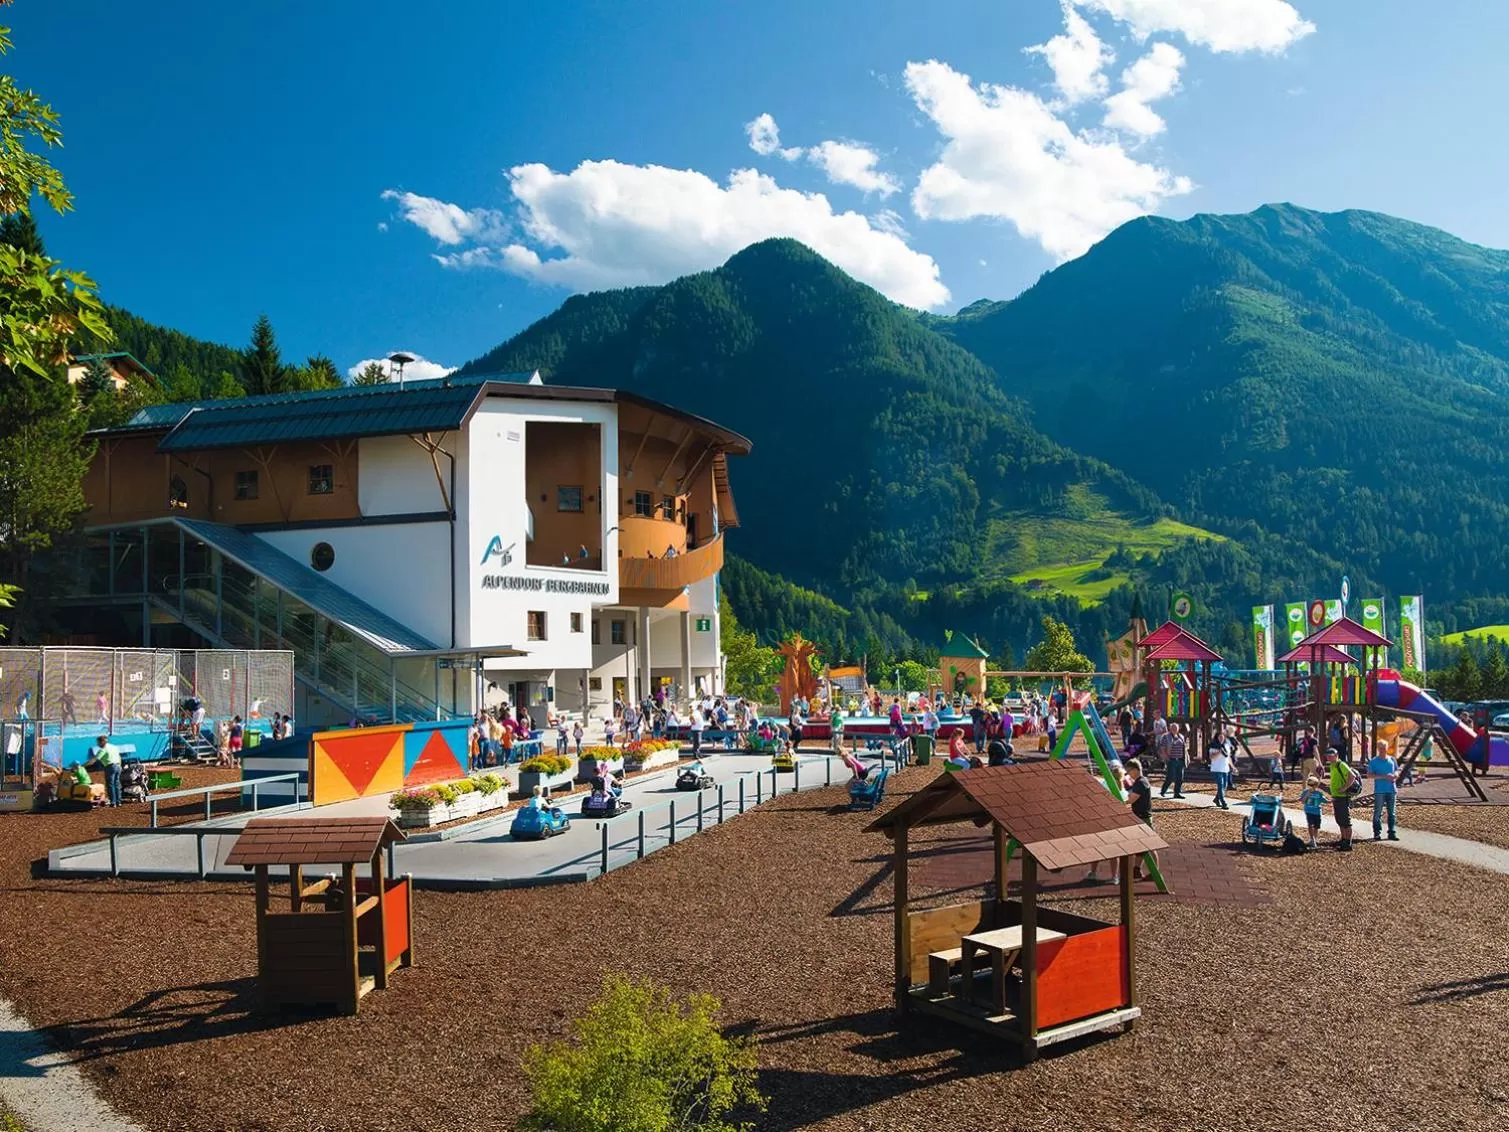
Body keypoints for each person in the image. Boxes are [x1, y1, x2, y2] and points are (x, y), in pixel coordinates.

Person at [1124, 758, 1155, 880]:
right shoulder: (1142, 781)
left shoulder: (1140, 783)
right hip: (1142, 816)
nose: (1128, 773)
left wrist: (1122, 802)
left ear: (1136, 770)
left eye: (1129, 771)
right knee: (1141, 846)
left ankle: (1154, 872)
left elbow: (1132, 799)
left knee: (1149, 846)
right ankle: (1136, 869)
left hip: (1143, 817)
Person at [1366, 740, 1400, 841]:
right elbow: (1369, 775)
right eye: (1380, 748)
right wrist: (1384, 776)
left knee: (1392, 812)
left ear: (1387, 748)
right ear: (1378, 749)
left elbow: (1397, 770)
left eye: (1384, 748)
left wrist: (1395, 775)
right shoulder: (1374, 761)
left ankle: (1392, 832)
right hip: (1380, 790)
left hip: (1391, 789)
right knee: (1378, 812)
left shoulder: (1392, 759)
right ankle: (1377, 833)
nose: (1382, 750)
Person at [1327, 748, 1358, 851]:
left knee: (1345, 820)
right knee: (1339, 820)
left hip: (1342, 797)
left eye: (1331, 755)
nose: (1329, 757)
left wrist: (1344, 788)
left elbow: (1352, 776)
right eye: (1328, 755)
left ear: (1336, 755)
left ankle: (1348, 843)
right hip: (1336, 796)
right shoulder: (1332, 765)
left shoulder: (1341, 764)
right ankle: (1343, 839)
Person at [1159, 722, 1187, 798]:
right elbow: (1162, 748)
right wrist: (1166, 758)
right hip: (1171, 759)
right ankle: (1163, 791)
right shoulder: (1166, 736)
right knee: (1170, 777)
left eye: (1176, 728)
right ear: (1170, 728)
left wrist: (1185, 758)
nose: (1174, 729)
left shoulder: (1181, 736)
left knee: (1180, 778)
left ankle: (1177, 793)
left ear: (1178, 729)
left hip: (1180, 760)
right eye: (1173, 728)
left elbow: (1184, 747)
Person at [1299, 775, 1327, 849]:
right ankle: (1312, 839)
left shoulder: (1319, 793)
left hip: (1317, 812)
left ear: (1316, 785)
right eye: (1309, 785)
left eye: (1312, 785)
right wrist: (1307, 795)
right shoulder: (1305, 792)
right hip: (1309, 811)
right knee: (1310, 825)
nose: (1310, 786)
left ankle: (1314, 839)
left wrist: (1333, 800)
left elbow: (1325, 800)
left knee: (1316, 826)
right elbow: (1302, 801)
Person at [94, 735, 122, 807]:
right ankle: (118, 801)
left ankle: (113, 802)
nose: (97, 744)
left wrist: (83, 766)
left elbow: (94, 760)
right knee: (117, 784)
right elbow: (119, 756)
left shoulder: (103, 749)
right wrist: (120, 765)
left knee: (110, 784)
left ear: (102, 742)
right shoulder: (113, 747)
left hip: (110, 766)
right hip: (118, 765)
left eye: (98, 742)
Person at [1208, 728, 1231, 809]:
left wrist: (1233, 767)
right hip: (1217, 768)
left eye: (1222, 737)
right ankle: (1223, 802)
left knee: (1225, 786)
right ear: (1217, 738)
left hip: (1225, 768)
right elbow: (1212, 757)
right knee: (1220, 785)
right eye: (1219, 737)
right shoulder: (1213, 746)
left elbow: (1228, 757)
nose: (1221, 739)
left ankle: (1216, 799)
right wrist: (1219, 752)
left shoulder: (1226, 745)